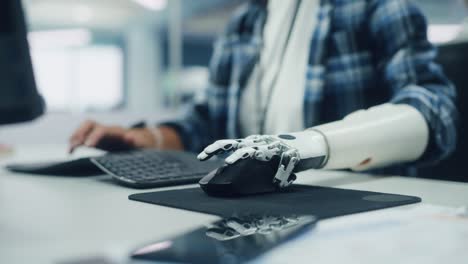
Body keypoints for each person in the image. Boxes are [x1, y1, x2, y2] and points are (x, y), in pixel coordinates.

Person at [70, 0, 457, 186]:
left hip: (352, 203)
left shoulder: (376, 7)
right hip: (255, 206)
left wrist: (303, 147)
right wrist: (146, 138)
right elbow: (208, 123)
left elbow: (434, 110)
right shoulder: (245, 21)